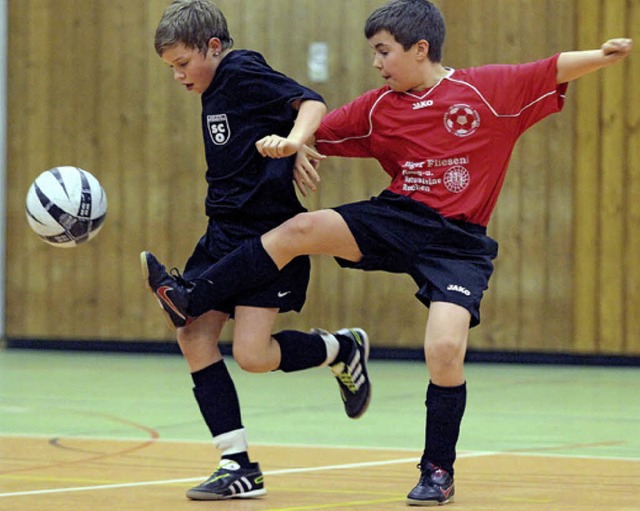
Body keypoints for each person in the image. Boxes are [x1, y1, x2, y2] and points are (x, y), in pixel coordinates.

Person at [142, 0, 633, 505]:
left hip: (457, 242)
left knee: (443, 351)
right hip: (396, 218)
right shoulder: (378, 106)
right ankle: (193, 296)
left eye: (383, 52)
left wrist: (602, 53)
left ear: (420, 49)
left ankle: (437, 471)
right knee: (300, 228)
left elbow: (550, 69)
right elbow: (318, 131)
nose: (376, 63)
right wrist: (297, 148)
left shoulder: (485, 90)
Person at [142, 0, 372, 502]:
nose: (179, 76)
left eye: (183, 64)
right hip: (223, 228)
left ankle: (339, 348)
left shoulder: (241, 69)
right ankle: (237, 464)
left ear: (215, 47)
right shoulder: (210, 84)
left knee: (252, 355)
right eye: (171, 68)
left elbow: (311, 102)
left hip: (268, 236)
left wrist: (294, 142)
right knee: (194, 336)